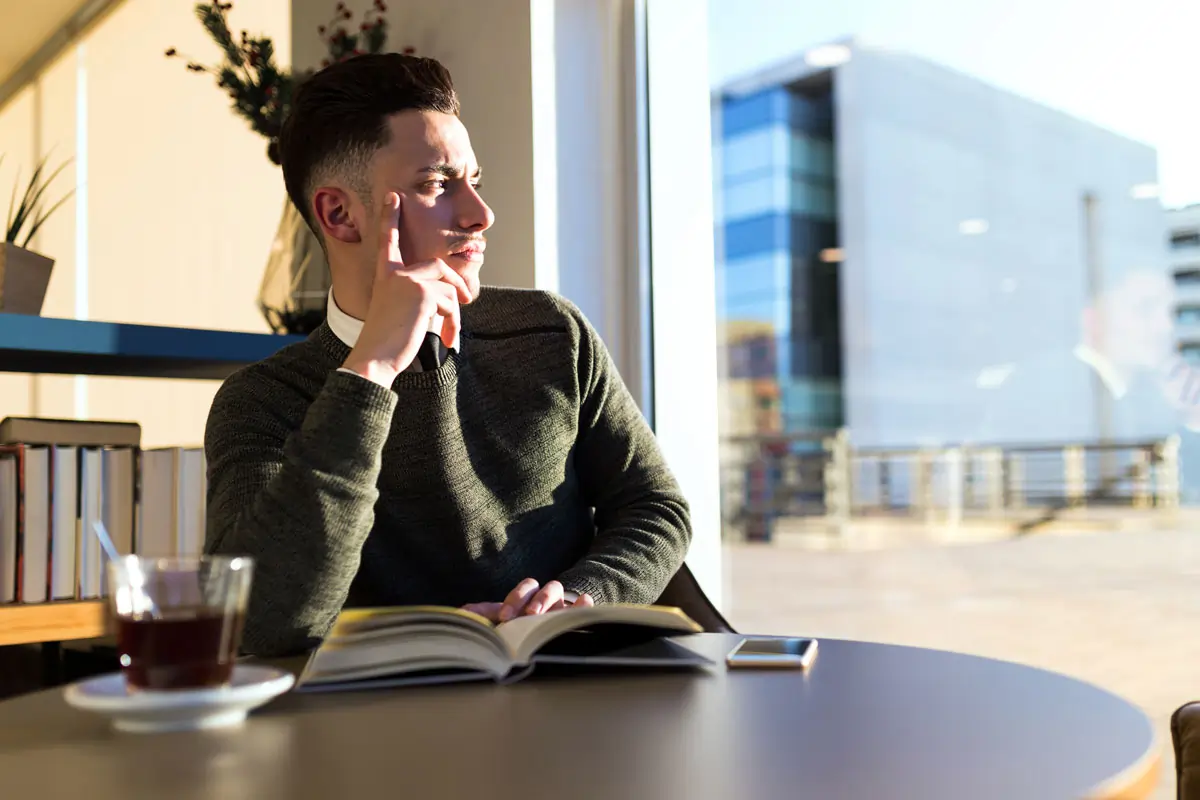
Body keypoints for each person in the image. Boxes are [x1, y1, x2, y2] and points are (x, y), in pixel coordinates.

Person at [203, 53, 692, 657]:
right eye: (436, 185)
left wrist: (577, 600)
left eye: (474, 181)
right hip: (379, 732)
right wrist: (371, 369)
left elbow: (655, 507)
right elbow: (264, 623)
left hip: (572, 693)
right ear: (340, 214)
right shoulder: (262, 402)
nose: (480, 214)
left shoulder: (549, 331)